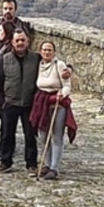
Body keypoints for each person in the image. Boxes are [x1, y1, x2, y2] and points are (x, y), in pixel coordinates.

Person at [0, 29, 41, 174]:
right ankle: (5, 162)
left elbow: (53, 64)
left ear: (28, 42)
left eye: (22, 40)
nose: (20, 43)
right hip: (10, 103)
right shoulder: (5, 59)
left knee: (30, 135)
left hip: (29, 104)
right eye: (17, 40)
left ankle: (31, 164)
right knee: (7, 135)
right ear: (12, 42)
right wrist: (1, 102)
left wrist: (68, 69)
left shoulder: (36, 58)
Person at [30, 41, 76, 180]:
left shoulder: (59, 65)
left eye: (49, 50)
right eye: (44, 50)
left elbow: (67, 85)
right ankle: (47, 164)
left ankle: (54, 168)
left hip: (57, 104)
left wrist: (62, 94)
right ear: (40, 51)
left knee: (56, 136)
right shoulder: (39, 64)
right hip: (42, 103)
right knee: (44, 136)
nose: (47, 52)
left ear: (54, 52)